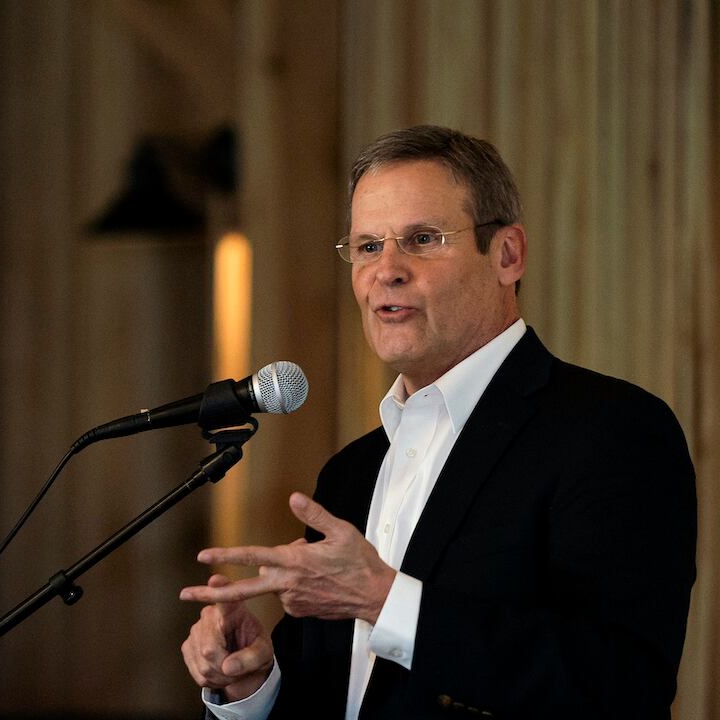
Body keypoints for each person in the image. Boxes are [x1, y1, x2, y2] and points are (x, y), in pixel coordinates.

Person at [178, 125, 697, 719]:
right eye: (368, 246)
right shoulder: (350, 473)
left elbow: (622, 686)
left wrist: (384, 600)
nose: (387, 270)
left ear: (507, 255)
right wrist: (254, 687)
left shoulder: (612, 432)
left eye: (422, 239)